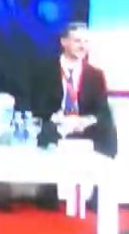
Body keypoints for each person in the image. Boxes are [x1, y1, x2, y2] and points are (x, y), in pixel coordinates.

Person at [32, 22, 117, 158]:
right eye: (77, 41)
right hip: (55, 124)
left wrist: (84, 121)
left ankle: (103, 166)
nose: (83, 46)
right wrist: (57, 118)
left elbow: (103, 110)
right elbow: (35, 104)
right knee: (45, 130)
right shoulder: (44, 70)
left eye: (86, 42)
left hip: (83, 125)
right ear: (64, 42)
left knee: (107, 128)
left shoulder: (96, 75)